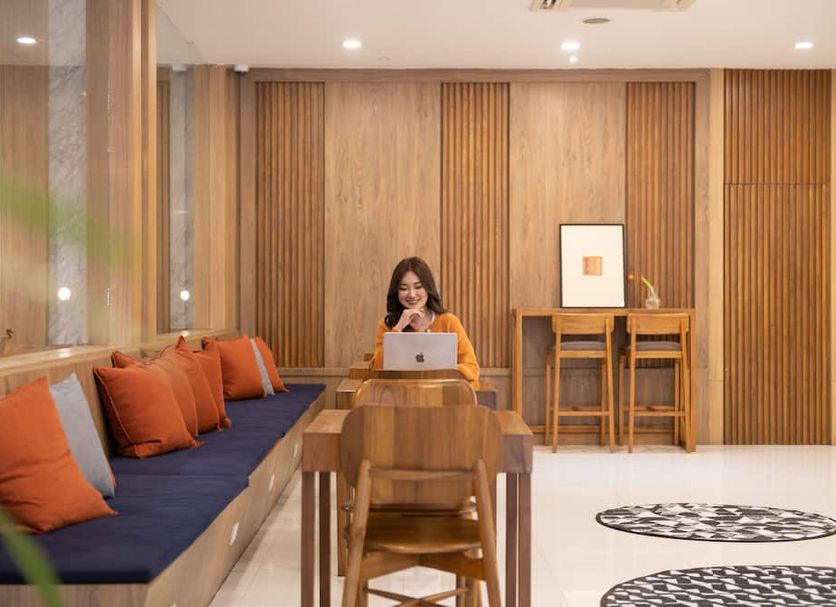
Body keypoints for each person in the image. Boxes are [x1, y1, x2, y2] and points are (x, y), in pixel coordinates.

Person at [370, 256, 479, 383]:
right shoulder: (386, 325)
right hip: (400, 392)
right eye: (404, 288)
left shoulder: (449, 322)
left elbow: (472, 368)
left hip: (441, 392)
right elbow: (376, 370)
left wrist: (440, 372)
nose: (412, 294)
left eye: (418, 287)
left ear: (428, 288)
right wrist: (398, 329)